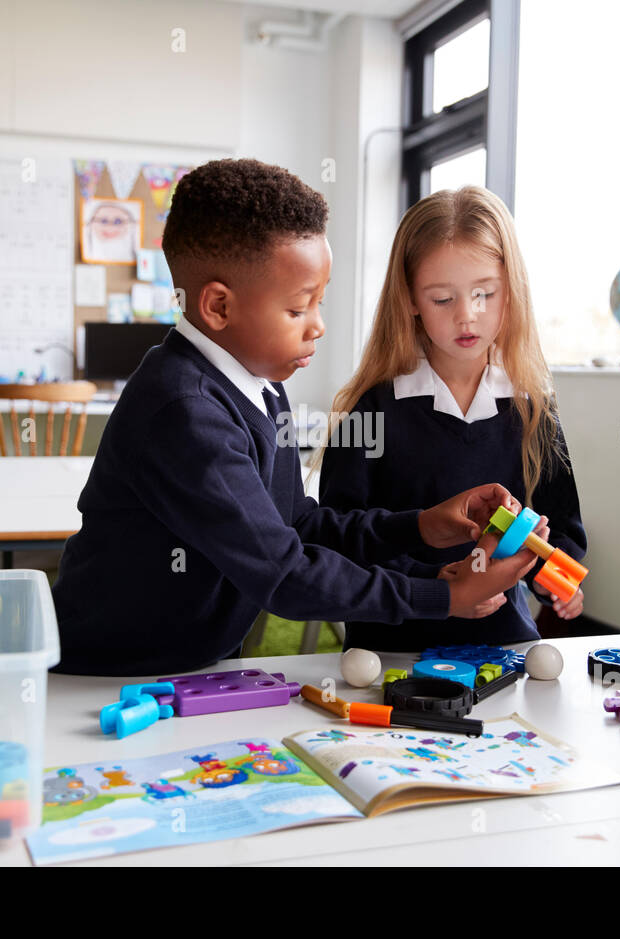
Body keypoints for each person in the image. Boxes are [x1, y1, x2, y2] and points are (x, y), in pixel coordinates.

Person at [51, 159, 535, 675]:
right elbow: (282, 573)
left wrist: (421, 526)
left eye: (319, 303)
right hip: (107, 672)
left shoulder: (262, 387)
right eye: (299, 308)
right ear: (218, 307)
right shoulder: (184, 412)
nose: (318, 327)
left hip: (191, 662)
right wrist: (442, 597)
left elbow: (297, 524)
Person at [319, 185, 586, 652]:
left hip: (503, 645)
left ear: (512, 291)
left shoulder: (532, 408)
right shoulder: (373, 408)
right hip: (392, 643)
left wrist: (553, 580)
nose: (468, 316)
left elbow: (562, 530)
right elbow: (339, 538)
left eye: (485, 293)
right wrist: (438, 585)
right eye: (443, 299)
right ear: (410, 300)